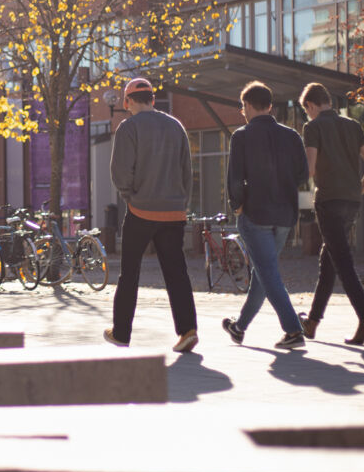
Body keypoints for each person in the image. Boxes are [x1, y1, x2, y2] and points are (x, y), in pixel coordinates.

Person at [105, 77, 199, 352]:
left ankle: (121, 332)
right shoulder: (175, 126)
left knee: (129, 273)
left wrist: (130, 197)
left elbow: (120, 172)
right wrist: (181, 203)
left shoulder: (128, 127)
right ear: (153, 99)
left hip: (141, 210)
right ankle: (188, 330)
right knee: (177, 272)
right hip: (173, 212)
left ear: (128, 101)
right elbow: (186, 172)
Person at [221, 81, 310, 350]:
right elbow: (304, 175)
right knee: (264, 272)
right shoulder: (292, 135)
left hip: (255, 214)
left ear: (248, 105)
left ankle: (293, 330)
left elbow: (235, 179)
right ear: (270, 106)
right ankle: (239, 328)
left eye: (242, 106)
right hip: (284, 215)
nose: (242, 112)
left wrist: (237, 205)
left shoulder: (242, 136)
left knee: (268, 272)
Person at [299, 82, 364, 345]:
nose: (308, 116)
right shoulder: (352, 125)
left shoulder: (313, 127)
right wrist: (358, 190)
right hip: (351, 202)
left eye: (307, 111)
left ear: (311, 105)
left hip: (328, 202)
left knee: (342, 262)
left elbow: (310, 169)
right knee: (330, 260)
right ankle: (311, 323)